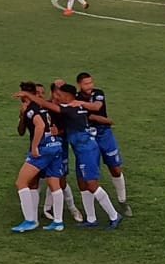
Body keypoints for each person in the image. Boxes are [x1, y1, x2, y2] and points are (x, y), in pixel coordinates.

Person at [23, 83, 123, 229]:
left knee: (91, 184)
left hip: (87, 150)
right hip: (83, 150)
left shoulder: (70, 108)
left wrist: (28, 96)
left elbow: (47, 104)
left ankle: (114, 215)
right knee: (83, 184)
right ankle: (91, 219)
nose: (58, 97)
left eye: (60, 95)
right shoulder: (80, 107)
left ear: (68, 96)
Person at [74, 72, 132, 216]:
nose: (90, 86)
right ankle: (91, 213)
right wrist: (100, 118)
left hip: (104, 133)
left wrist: (85, 108)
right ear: (79, 85)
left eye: (91, 82)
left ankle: (123, 201)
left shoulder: (97, 93)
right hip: (88, 136)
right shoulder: (75, 97)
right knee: (89, 173)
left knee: (115, 168)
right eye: (86, 83)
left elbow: (96, 107)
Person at [11, 88, 67, 232]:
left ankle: (30, 220)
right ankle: (58, 221)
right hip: (56, 146)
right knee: (54, 183)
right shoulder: (44, 108)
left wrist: (35, 147)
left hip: (44, 149)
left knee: (21, 182)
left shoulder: (32, 109)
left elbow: (40, 126)